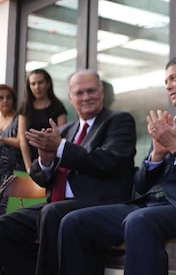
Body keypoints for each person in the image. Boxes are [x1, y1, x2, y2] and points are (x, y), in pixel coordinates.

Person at [58, 56, 176, 275]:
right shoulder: (167, 125)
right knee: (74, 221)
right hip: (148, 204)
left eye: (174, 78)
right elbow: (141, 185)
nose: (168, 86)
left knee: (139, 221)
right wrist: (156, 155)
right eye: (166, 81)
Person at [0, 69, 137, 275]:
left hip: (100, 202)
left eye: (91, 91)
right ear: (71, 97)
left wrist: (62, 147)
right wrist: (45, 160)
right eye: (79, 93)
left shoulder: (119, 121)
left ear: (101, 92)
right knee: (4, 226)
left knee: (52, 212)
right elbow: (40, 177)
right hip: (56, 204)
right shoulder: (65, 131)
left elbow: (107, 162)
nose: (86, 97)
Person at [18, 68, 68, 170]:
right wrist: (29, 166)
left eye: (40, 82)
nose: (37, 87)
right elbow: (22, 138)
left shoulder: (57, 106)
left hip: (52, 162)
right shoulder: (25, 107)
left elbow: (62, 135)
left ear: (48, 84)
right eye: (33, 83)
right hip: (27, 161)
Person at [0, 84, 27, 214]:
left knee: (6, 212)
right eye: (1, 97)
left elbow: (20, 142)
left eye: (8, 97)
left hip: (13, 171)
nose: (5, 100)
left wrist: (1, 139)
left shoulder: (19, 116)